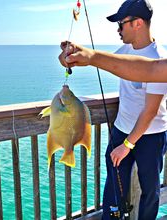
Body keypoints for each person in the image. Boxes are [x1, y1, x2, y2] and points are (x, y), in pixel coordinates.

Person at [59, 0, 167, 219]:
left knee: (150, 191)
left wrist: (126, 146)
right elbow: (112, 63)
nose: (118, 30)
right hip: (122, 128)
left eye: (121, 24)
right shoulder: (126, 49)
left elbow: (150, 111)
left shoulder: (158, 58)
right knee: (113, 189)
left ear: (137, 23)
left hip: (151, 136)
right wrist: (74, 58)